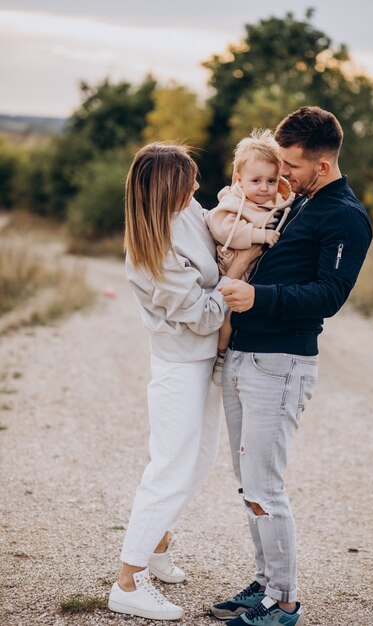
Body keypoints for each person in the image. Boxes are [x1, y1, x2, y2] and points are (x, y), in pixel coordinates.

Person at [210, 106, 373, 626]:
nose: (281, 175)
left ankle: (283, 602)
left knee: (265, 486)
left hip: (280, 364)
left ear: (321, 166)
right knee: (247, 482)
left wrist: (257, 297)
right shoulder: (297, 201)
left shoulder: (344, 215)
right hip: (244, 355)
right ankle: (263, 584)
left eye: (292, 167)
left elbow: (329, 295)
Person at [107, 143, 261, 621]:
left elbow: (220, 242)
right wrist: (239, 268)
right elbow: (200, 315)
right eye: (189, 180)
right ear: (168, 188)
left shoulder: (189, 210)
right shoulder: (154, 249)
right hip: (179, 365)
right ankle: (127, 582)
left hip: (204, 362)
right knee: (170, 467)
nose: (198, 186)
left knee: (197, 461)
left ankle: (157, 544)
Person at [205, 129, 294, 385]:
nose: (264, 188)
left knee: (247, 315)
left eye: (271, 180)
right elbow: (223, 229)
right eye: (256, 181)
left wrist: (286, 192)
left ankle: (239, 357)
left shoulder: (278, 201)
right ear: (239, 180)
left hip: (256, 274)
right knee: (227, 318)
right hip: (231, 267)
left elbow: (287, 206)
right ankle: (220, 357)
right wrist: (259, 235)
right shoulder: (233, 201)